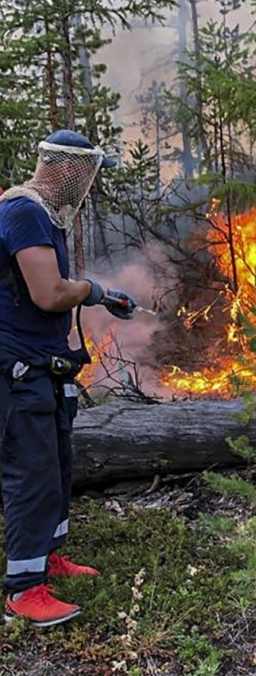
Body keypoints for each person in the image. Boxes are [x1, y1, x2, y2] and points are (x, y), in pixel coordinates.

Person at [0, 129, 137, 627]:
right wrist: (95, 290)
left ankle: (50, 557)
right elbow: (49, 294)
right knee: (30, 474)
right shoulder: (25, 212)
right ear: (62, 168)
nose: (88, 183)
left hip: (42, 366)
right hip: (16, 370)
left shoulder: (45, 217)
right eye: (84, 172)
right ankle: (24, 589)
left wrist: (103, 298)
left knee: (56, 465)